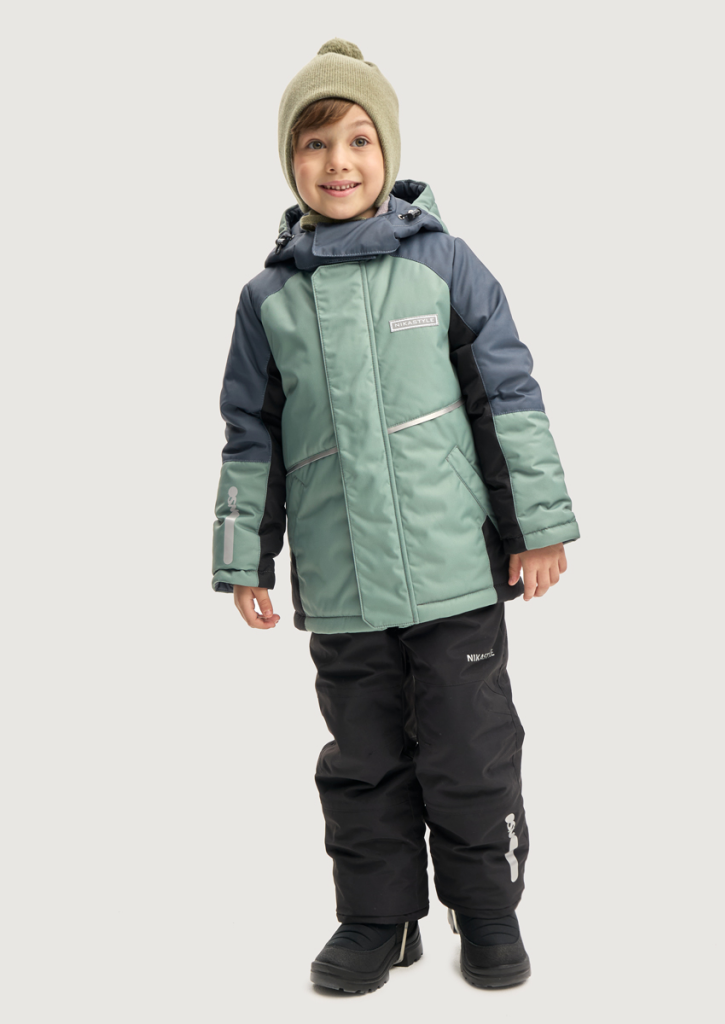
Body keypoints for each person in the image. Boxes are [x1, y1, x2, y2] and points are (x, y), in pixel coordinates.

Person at [210, 38, 580, 993]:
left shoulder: (446, 265)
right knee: (363, 759)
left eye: (359, 140)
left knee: (470, 749)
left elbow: (507, 395)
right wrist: (244, 557)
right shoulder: (269, 299)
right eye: (315, 144)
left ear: (389, 150)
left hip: (456, 572)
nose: (339, 162)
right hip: (342, 584)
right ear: (290, 162)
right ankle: (379, 919)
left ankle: (487, 908)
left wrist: (538, 524)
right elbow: (249, 433)